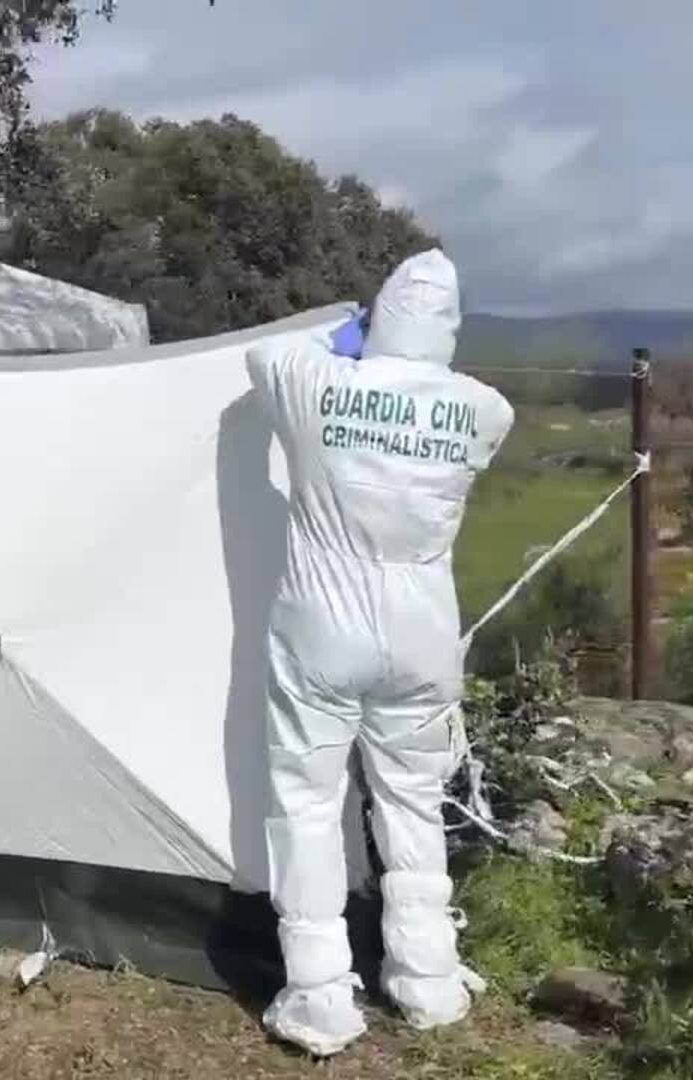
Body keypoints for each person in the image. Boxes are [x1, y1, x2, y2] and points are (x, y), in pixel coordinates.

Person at [244, 250, 514, 1055]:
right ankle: (427, 978)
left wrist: (342, 335)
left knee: (306, 803)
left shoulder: (320, 384)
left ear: (381, 319)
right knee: (411, 799)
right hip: (424, 629)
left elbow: (265, 357)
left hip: (324, 625)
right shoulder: (483, 409)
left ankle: (320, 996)